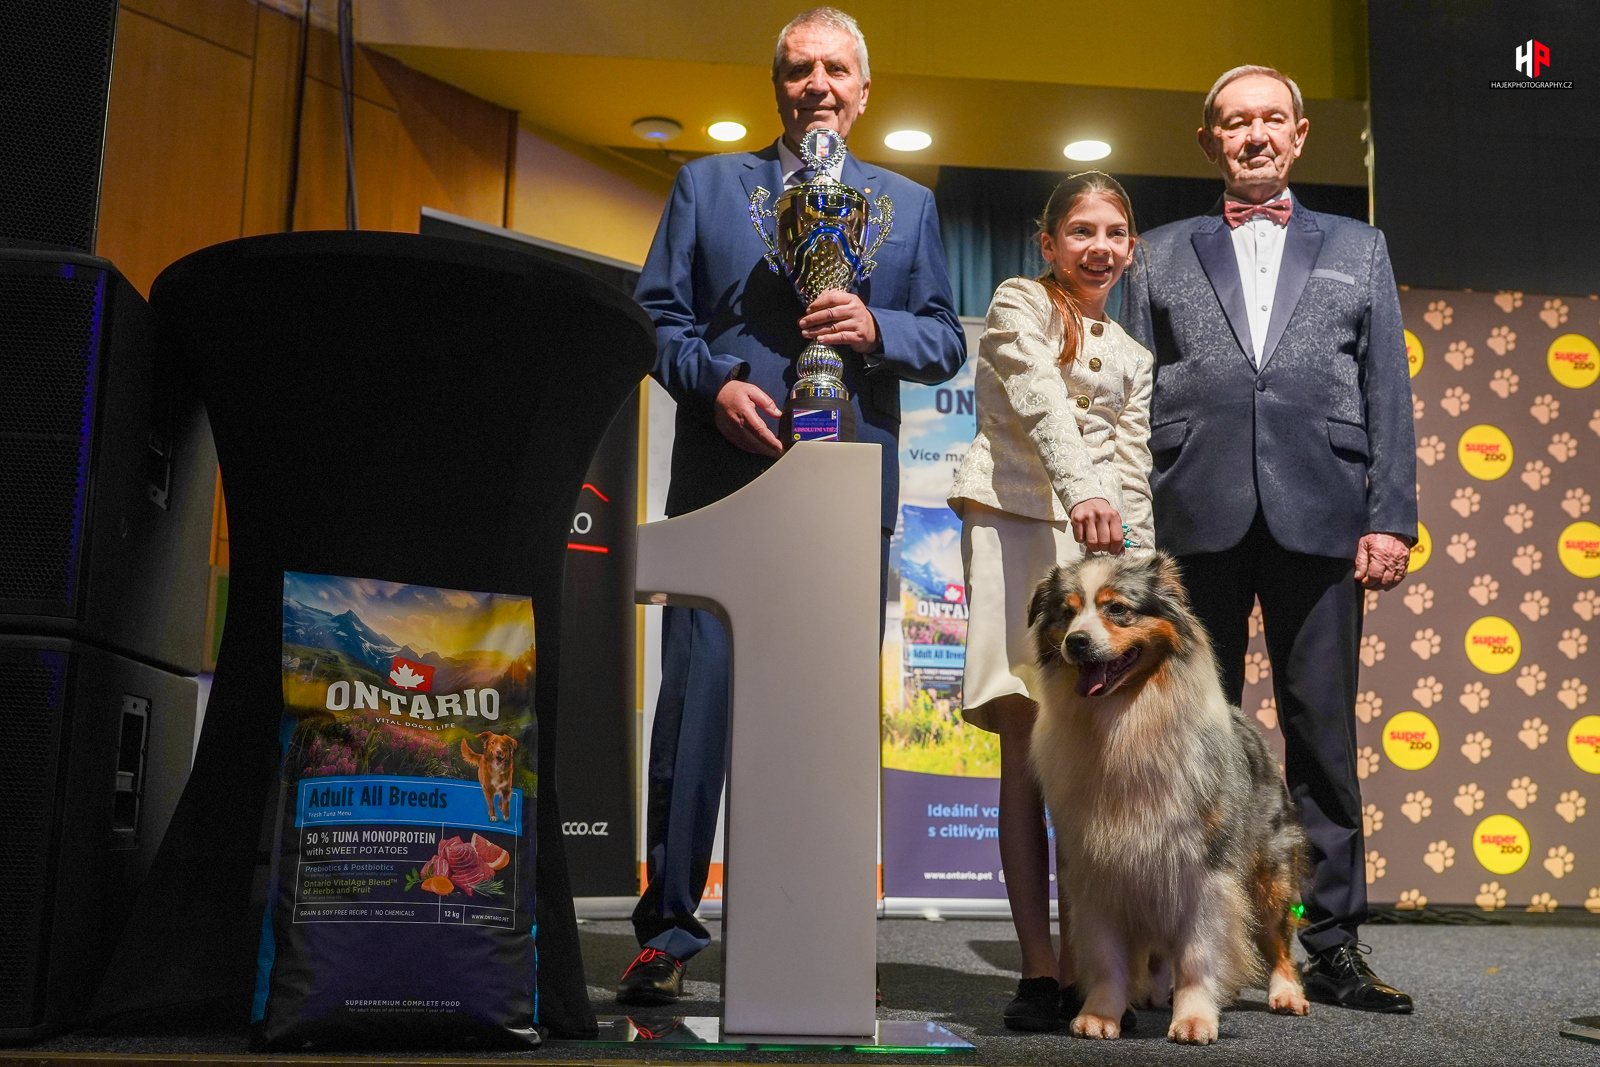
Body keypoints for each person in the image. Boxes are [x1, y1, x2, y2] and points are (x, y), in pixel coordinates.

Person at [621, 6, 966, 1005]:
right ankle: (666, 933)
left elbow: (944, 338)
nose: (817, 83)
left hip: (845, 490)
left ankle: (813, 932)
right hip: (722, 484)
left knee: (823, 725)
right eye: (798, 68)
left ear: (863, 91)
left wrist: (877, 325)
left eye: (835, 69)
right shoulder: (706, 186)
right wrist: (716, 383)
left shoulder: (907, 204)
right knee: (694, 715)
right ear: (776, 86)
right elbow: (656, 318)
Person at [1119, 64, 1417, 1013]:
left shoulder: (1361, 247)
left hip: (1322, 516)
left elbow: (1386, 390)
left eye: (1271, 119)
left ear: (1298, 136)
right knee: (1190, 738)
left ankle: (1330, 943)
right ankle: (1181, 938)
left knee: (1321, 736)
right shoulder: (1155, 252)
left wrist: (1389, 516)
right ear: (1209, 141)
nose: (1253, 135)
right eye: (1235, 121)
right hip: (1186, 520)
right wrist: (1131, 529)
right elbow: (1126, 395)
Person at [948, 171, 1153, 1031]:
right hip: (1015, 529)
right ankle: (1038, 968)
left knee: (1093, 772)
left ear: (1130, 248)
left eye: (1114, 233)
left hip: (1098, 552)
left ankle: (1091, 968)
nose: (1098, 247)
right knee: (1027, 750)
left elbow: (1133, 472)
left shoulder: (1136, 355)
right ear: (1049, 242)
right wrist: (1082, 494)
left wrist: (1138, 580)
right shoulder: (1018, 302)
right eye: (1081, 231)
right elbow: (1039, 402)